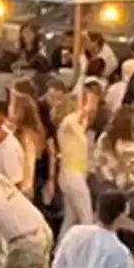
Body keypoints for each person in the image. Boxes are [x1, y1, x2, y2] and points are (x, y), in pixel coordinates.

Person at [96, 105, 134, 250]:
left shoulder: (104, 139)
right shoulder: (127, 143)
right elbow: (130, 166)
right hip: (129, 188)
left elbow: (100, 162)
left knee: (110, 227)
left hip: (109, 187)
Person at [55, 83, 101, 230]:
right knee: (86, 217)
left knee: (71, 218)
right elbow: (78, 118)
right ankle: (88, 251)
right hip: (72, 174)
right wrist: (87, 105)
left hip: (75, 173)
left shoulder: (78, 125)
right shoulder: (68, 122)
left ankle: (60, 250)